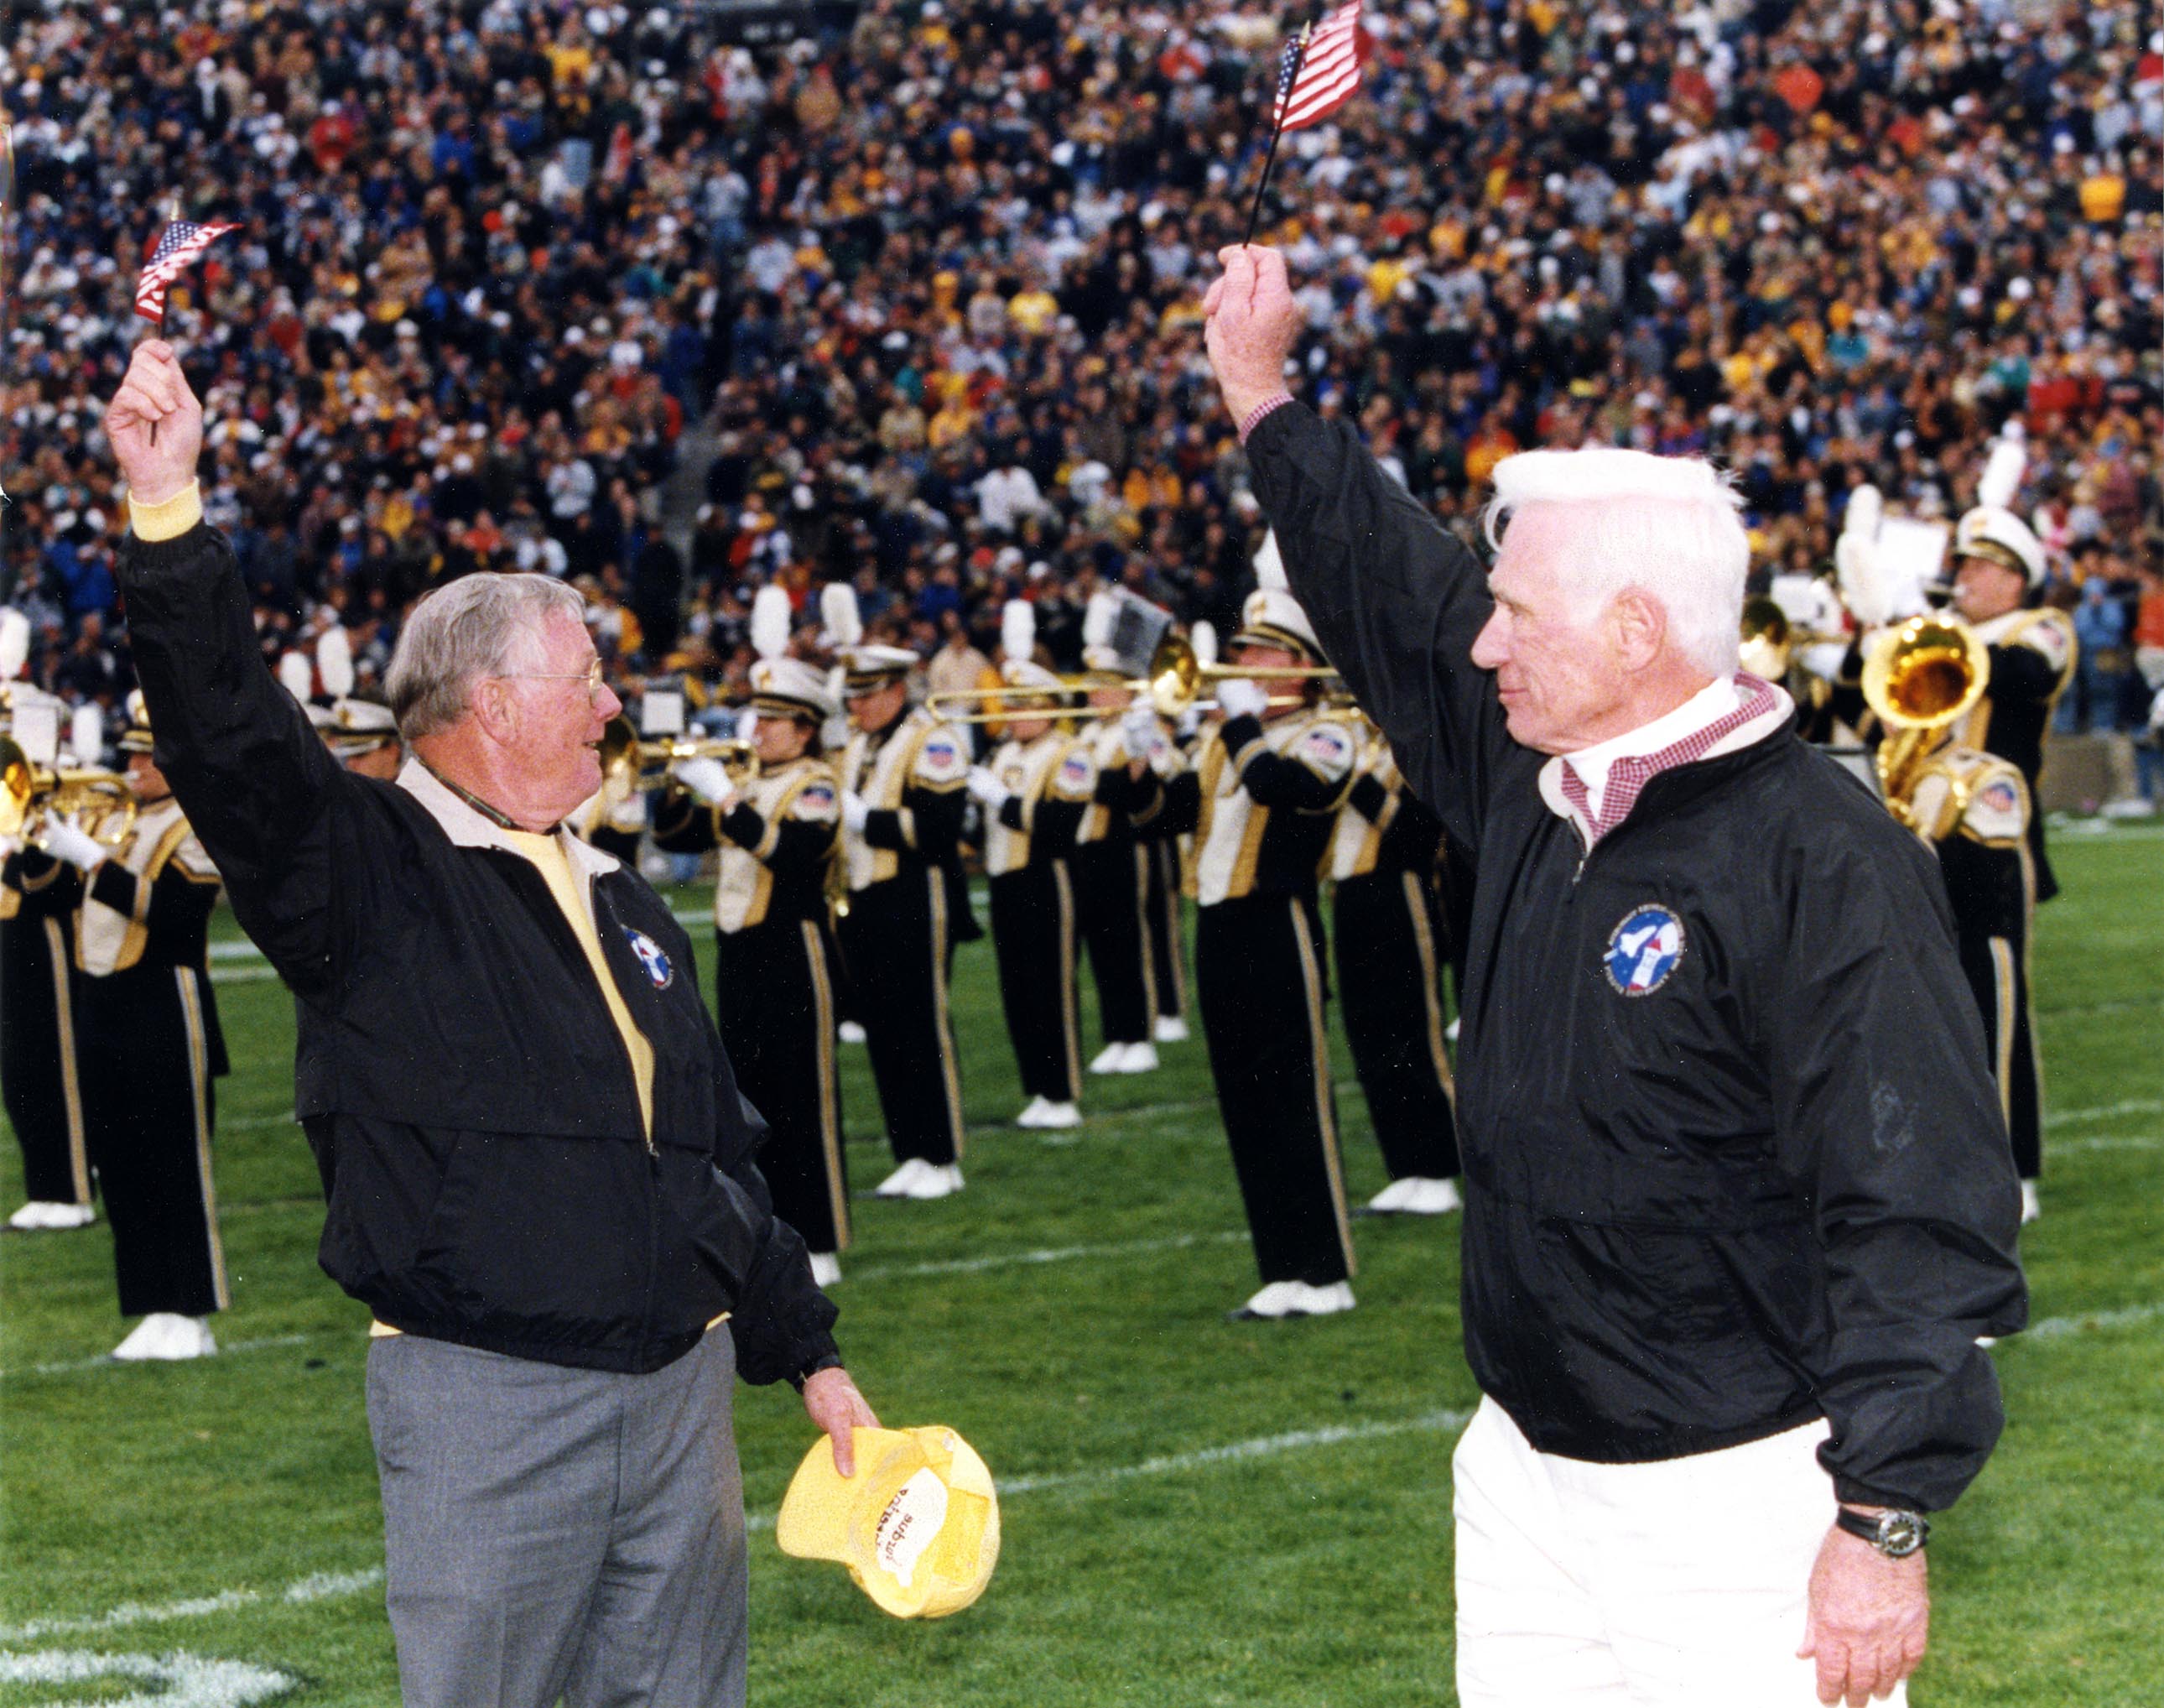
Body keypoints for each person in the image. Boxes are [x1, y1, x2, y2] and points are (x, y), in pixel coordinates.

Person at [1204, 247, 2025, 1708]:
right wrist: (1263, 398)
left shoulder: (1818, 852)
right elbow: (1398, 598)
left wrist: (1881, 1519)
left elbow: (1911, 1198)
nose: (1482, 637)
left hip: (1740, 1497)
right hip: (1525, 1464)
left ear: (1638, 632)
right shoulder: (1543, 777)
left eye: (1520, 611)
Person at [104, 339, 877, 1708]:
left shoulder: (623, 896)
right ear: (492, 706)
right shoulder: (371, 872)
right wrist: (168, 517)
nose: (613, 706)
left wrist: (805, 1352)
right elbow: (231, 741)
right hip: (495, 1405)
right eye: (586, 680)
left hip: (682, 1386)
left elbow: (709, 1146)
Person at [1132, 586, 1361, 1320]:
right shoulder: (1230, 734)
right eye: (1243, 651)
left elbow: (1283, 789)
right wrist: (1149, 758)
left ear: (1298, 665)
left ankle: (1325, 1271)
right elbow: (1165, 820)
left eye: (1260, 652)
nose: (1241, 663)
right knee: (1245, 1101)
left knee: (1295, 1094)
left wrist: (1235, 728)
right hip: (1220, 927)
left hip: (1279, 922)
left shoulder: (1327, 732)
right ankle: (1282, 1267)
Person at [652, 658, 851, 1284]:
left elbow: (794, 855)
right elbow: (679, 837)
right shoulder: (748, 780)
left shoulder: (816, 785)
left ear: (805, 728)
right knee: (751, 1099)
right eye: (758, 714)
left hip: (794, 948)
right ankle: (769, 1234)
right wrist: (678, 784)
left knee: (803, 1095)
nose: (757, 727)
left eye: (774, 718)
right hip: (742, 952)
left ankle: (819, 1239)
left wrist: (725, 795)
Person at [45, 691, 230, 1359]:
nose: (131, 765)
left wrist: (92, 860)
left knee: (173, 1159)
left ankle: (193, 1309)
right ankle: (152, 1305)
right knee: (120, 1162)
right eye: (126, 753)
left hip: (164, 1001)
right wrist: (46, 845)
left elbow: (175, 913)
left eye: (145, 755)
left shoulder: (195, 824)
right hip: (104, 1000)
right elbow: (69, 905)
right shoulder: (117, 819)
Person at [833, 645, 974, 1199]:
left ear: (895, 691)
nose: (858, 705)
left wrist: (867, 819)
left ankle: (942, 1155)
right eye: (854, 695)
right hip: (866, 894)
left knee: (922, 1024)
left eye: (867, 694)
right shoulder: (863, 742)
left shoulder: (930, 739)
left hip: (916, 893)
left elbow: (941, 828)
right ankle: (910, 1150)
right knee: (884, 1028)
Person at [1327, 727, 1464, 1216]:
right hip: (1350, 896)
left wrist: (1355, 782)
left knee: (1412, 1033)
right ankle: (1405, 1166)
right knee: (1369, 1037)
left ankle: (1440, 1167)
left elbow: (1418, 837)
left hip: (1399, 894)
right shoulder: (1357, 743)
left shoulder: (1422, 747)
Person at [967, 660, 1096, 1131]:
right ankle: (1040, 1088)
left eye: (1028, 705)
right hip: (1006, 880)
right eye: (1013, 704)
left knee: (1052, 986)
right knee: (1019, 989)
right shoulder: (1004, 754)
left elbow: (1059, 827)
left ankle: (1063, 1091)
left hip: (1049, 877)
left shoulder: (1071, 754)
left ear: (1052, 710)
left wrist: (1001, 802)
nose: (1016, 714)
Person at [2, 668, 96, 1232]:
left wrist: (20, 847)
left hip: (46, 933)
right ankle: (47, 1185)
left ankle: (73, 1189)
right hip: (12, 932)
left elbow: (54, 877)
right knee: (19, 1067)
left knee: (55, 1059)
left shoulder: (55, 785)